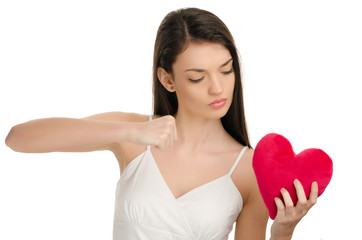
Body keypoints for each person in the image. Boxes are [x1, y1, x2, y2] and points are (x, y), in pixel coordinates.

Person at [5, 7, 318, 240]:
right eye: (198, 77)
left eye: (226, 71)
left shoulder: (249, 168)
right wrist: (132, 131)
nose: (217, 88)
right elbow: (18, 139)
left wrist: (283, 232)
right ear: (167, 80)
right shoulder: (132, 134)